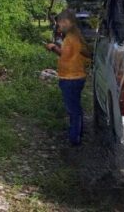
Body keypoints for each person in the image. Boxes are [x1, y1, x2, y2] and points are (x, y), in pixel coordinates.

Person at [45, 9, 92, 146]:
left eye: (59, 24)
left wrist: (53, 47)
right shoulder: (77, 37)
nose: (58, 27)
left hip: (70, 78)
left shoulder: (70, 38)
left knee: (73, 109)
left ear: (66, 22)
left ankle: (74, 139)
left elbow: (65, 55)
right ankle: (78, 132)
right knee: (76, 106)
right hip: (78, 76)